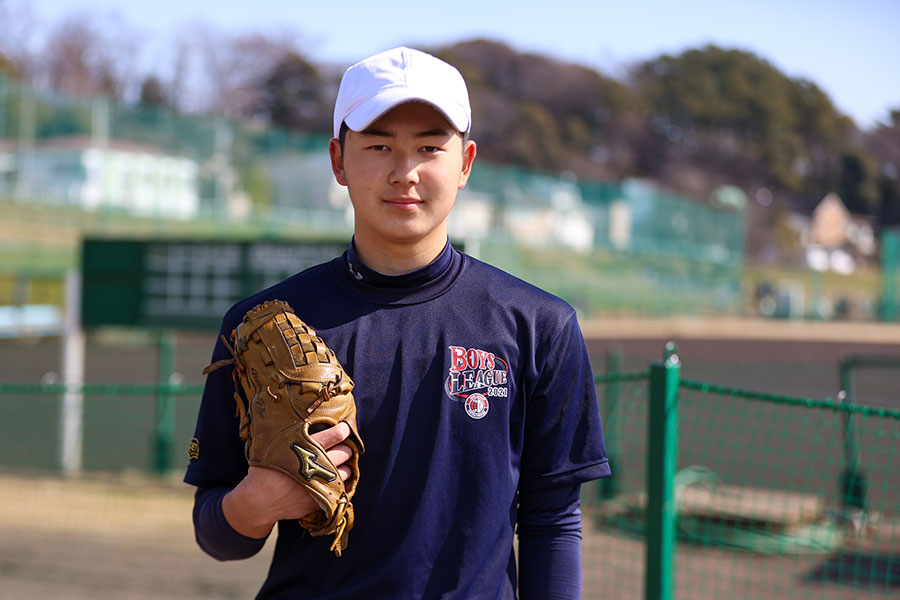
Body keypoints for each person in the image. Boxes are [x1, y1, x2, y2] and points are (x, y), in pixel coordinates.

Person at [185, 46, 611, 599]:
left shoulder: (539, 326)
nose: (404, 172)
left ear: (465, 163)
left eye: (429, 148)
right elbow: (219, 536)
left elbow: (552, 519)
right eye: (379, 145)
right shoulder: (261, 326)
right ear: (338, 161)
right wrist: (256, 501)